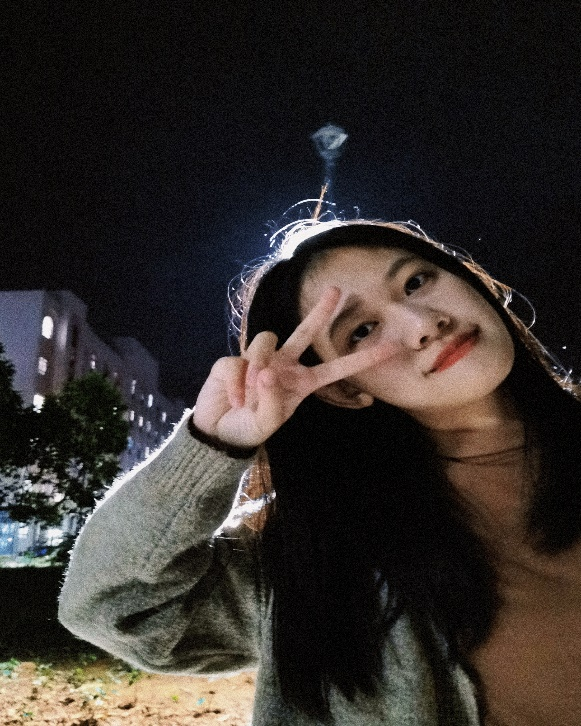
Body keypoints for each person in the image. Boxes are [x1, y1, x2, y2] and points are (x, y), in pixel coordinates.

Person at [59, 219, 581, 726]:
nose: (424, 324)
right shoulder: (321, 558)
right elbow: (114, 607)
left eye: (417, 281)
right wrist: (212, 445)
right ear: (345, 390)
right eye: (362, 331)